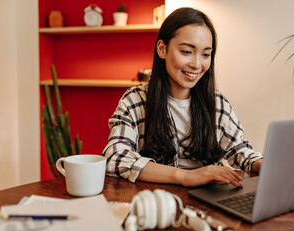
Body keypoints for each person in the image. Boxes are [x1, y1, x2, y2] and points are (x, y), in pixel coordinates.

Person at [103, 7, 263, 188]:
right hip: (156, 203)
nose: (196, 64)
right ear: (162, 49)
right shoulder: (135, 101)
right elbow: (115, 156)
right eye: (187, 51)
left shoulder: (217, 103)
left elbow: (239, 150)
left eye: (205, 54)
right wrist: (186, 177)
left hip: (205, 206)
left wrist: (262, 163)